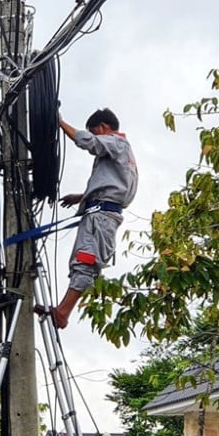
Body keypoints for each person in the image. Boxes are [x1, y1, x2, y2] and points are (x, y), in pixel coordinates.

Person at [42, 108, 138, 329]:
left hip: (101, 217)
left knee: (85, 262)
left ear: (104, 128)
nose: (96, 136)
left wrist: (61, 124)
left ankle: (63, 313)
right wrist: (83, 197)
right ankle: (62, 310)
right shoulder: (123, 153)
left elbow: (91, 144)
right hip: (101, 213)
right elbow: (112, 185)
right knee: (81, 261)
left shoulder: (116, 143)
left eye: (96, 132)